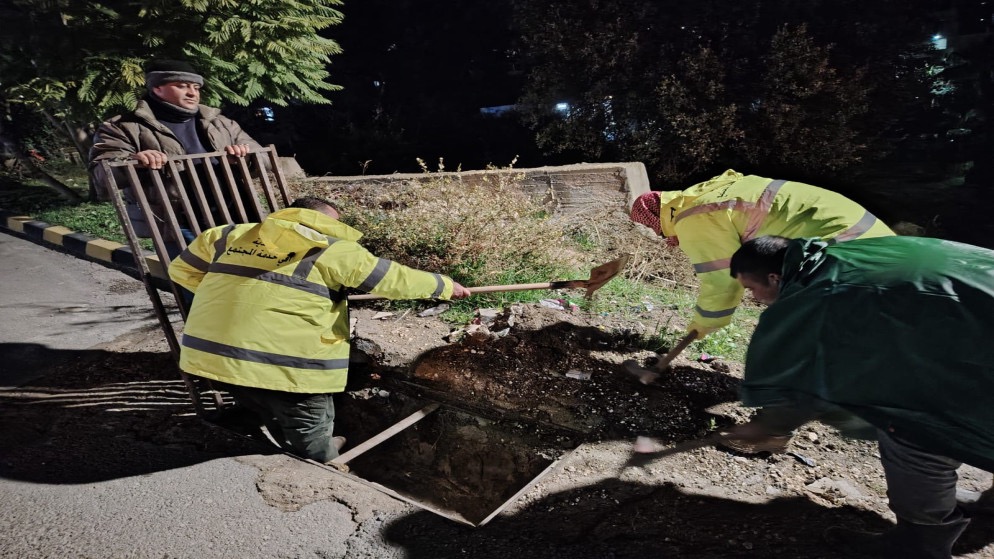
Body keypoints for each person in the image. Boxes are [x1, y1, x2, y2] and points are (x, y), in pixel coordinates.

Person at [725, 234, 994, 559]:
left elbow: (807, 382)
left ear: (774, 278)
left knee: (914, 428)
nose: (754, 299)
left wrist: (767, 424)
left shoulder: (822, 295)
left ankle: (918, 545)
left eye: (752, 289)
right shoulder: (848, 257)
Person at [168, 196, 472, 463]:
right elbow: (393, 279)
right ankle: (324, 462)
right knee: (309, 421)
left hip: (212, 356)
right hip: (286, 364)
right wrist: (445, 286)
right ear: (326, 222)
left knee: (256, 394)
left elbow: (180, 270)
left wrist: (235, 295)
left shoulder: (225, 235)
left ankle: (273, 431)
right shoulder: (333, 249)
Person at [629, 169, 895, 342]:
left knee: (807, 326)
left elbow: (722, 282)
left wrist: (698, 329)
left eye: (656, 231)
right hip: (870, 233)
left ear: (656, 221)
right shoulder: (706, 194)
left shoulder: (693, 220)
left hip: (842, 245)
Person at [88, 59, 266, 256]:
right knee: (197, 274)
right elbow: (102, 175)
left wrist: (244, 156)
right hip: (177, 223)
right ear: (157, 88)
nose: (192, 93)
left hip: (238, 214)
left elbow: (264, 160)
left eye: (196, 87)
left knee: (251, 271)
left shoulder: (221, 123)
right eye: (182, 86)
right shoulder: (123, 127)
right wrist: (134, 161)